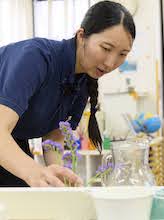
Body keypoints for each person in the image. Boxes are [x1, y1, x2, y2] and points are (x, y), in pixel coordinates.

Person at [0, 1, 135, 187]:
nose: (111, 63)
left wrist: (63, 179)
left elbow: (53, 137)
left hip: (11, 140)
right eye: (105, 48)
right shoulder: (36, 58)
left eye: (122, 54)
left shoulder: (82, 81)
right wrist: (35, 172)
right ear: (81, 36)